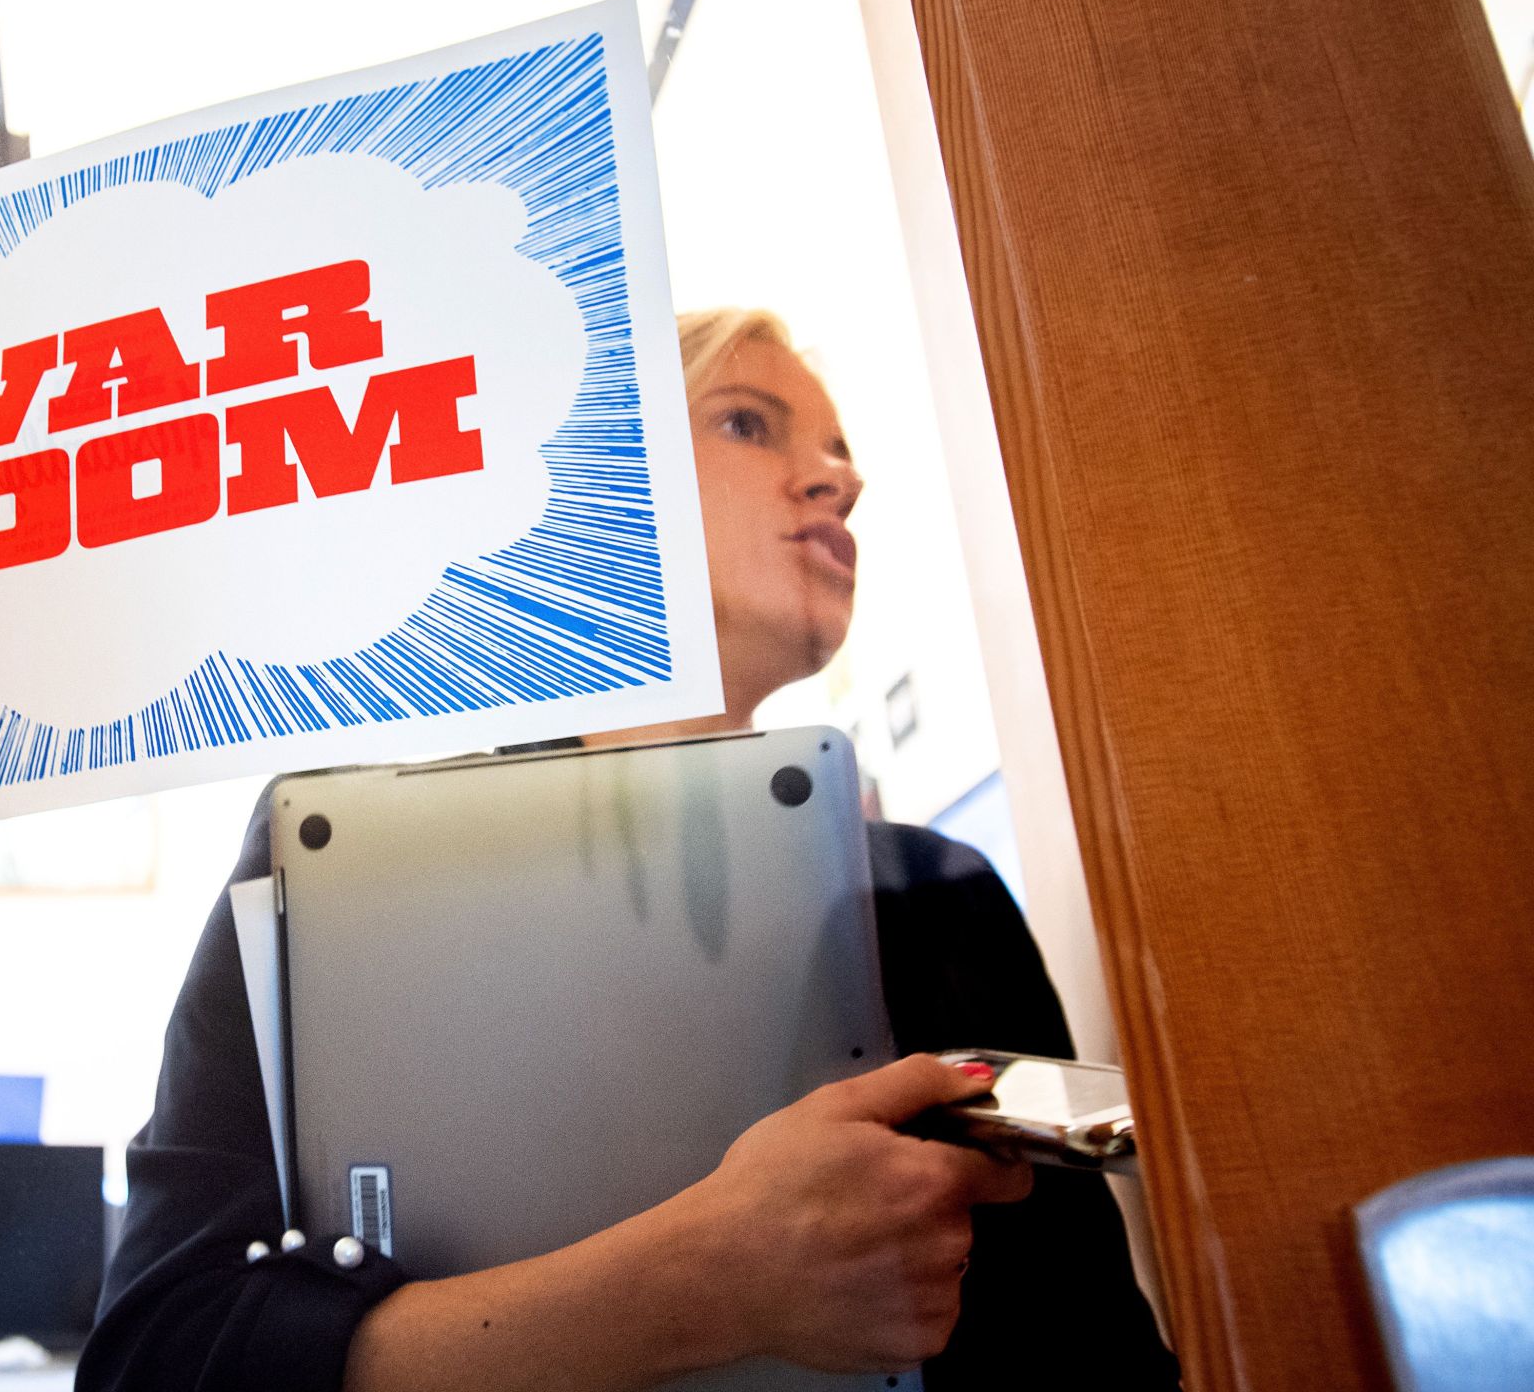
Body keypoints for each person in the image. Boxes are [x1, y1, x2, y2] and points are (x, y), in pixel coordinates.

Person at [75, 310, 1180, 1392]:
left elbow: (1096, 1354)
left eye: (842, 457)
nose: (834, 481)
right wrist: (708, 1284)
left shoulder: (938, 895)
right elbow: (156, 1359)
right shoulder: (338, 863)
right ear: (599, 485)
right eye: (748, 424)